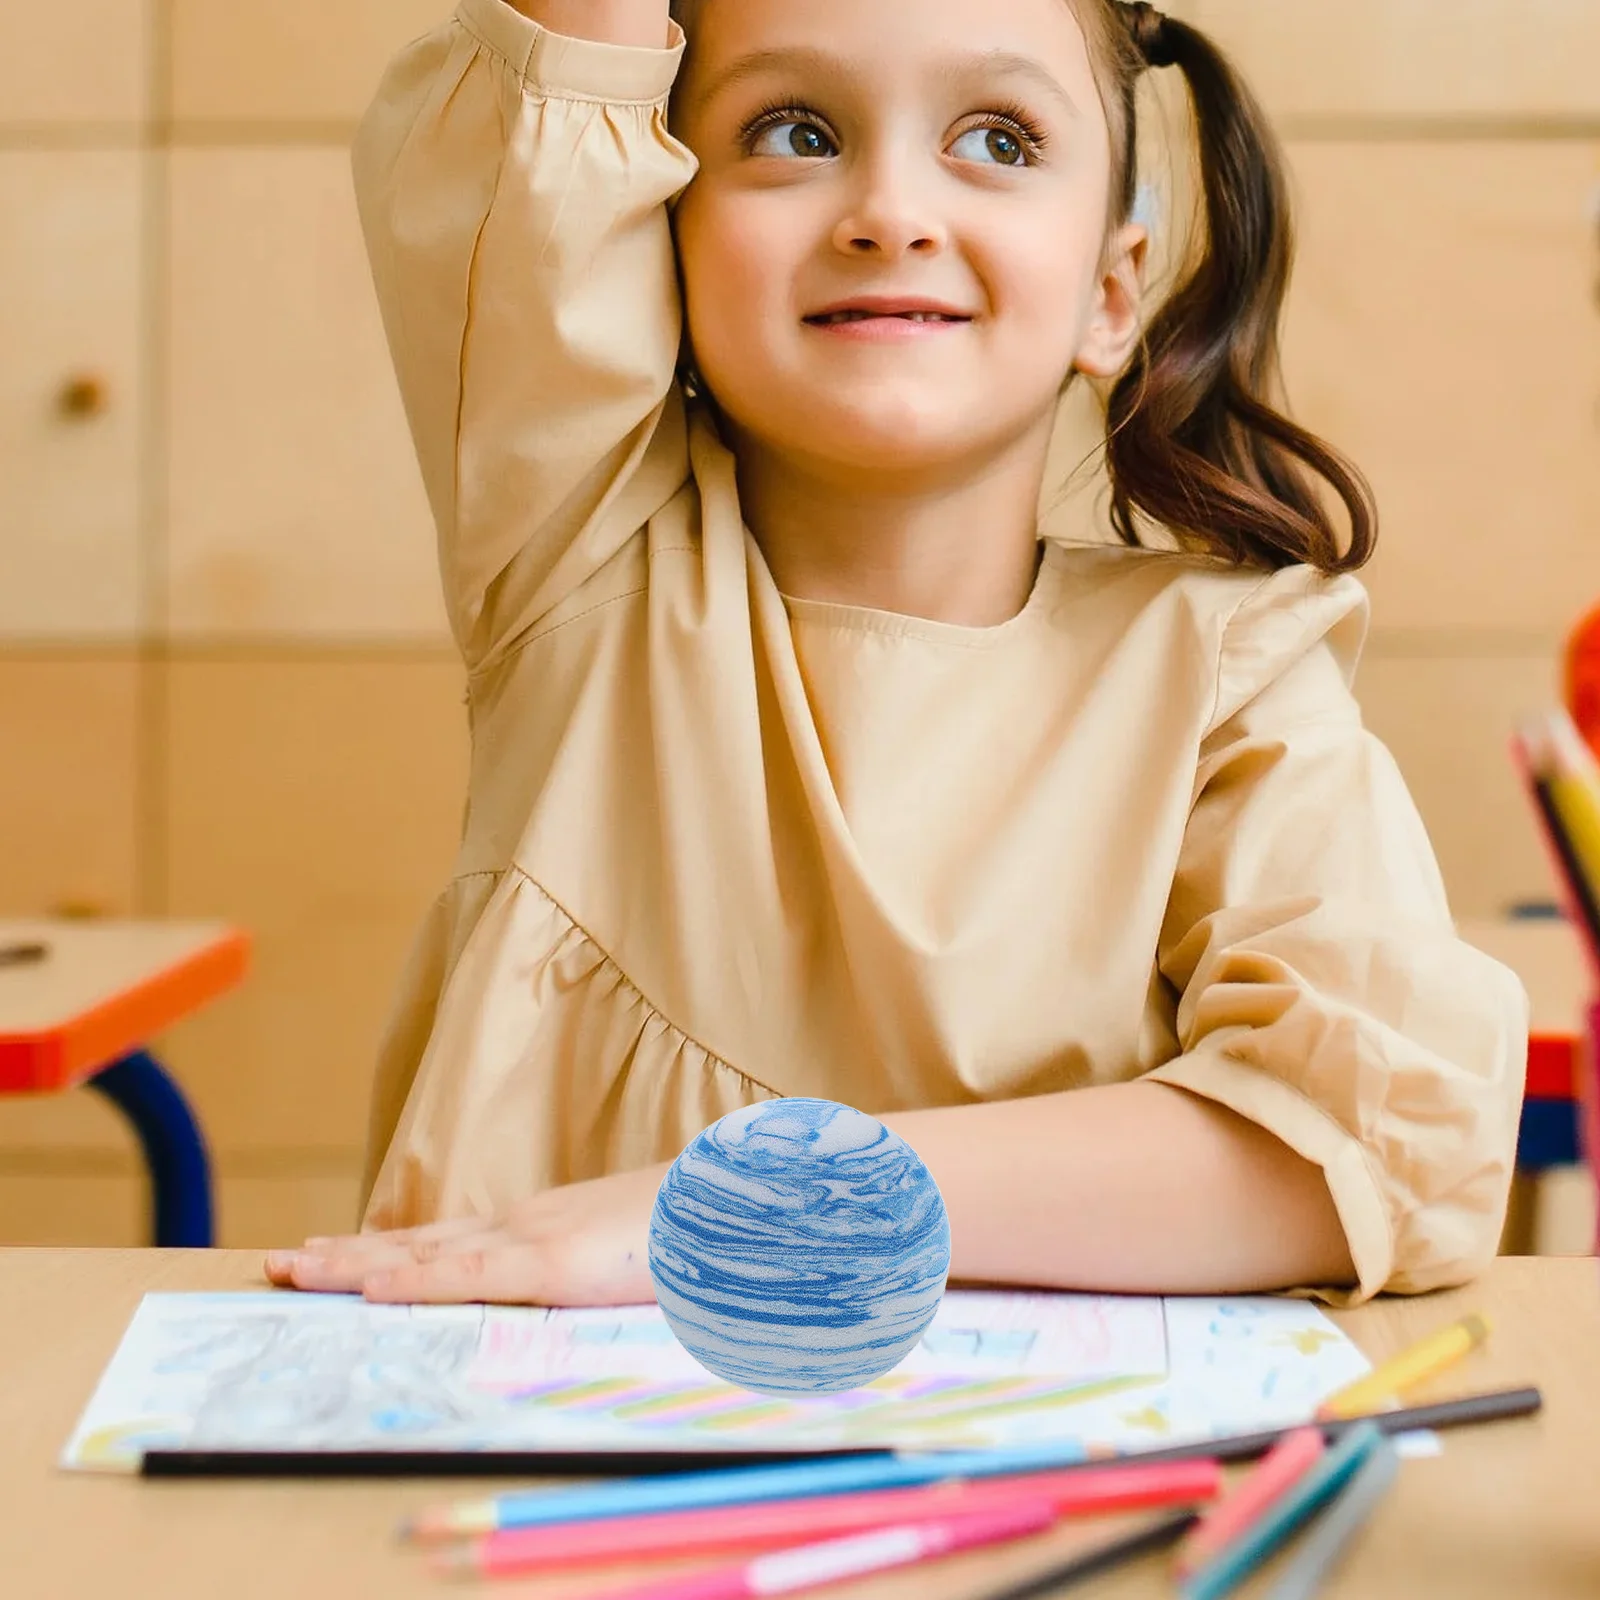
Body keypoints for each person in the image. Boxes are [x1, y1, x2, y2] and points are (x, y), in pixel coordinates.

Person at [265, 0, 1526, 1310]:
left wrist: (739, 1205)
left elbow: (1377, 1139)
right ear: (661, 247)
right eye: (794, 132)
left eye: (997, 138)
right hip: (540, 1488)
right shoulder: (583, 554)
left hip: (1043, 1499)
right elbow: (556, 100)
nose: (891, 212)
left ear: (1112, 294)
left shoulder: (1228, 671)